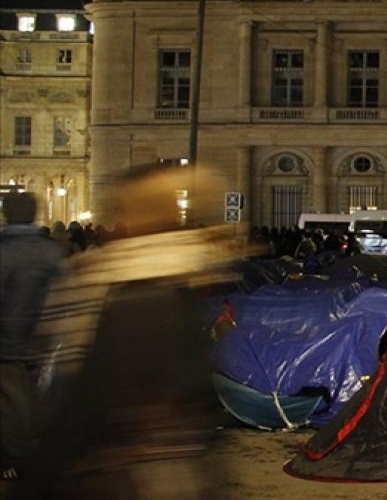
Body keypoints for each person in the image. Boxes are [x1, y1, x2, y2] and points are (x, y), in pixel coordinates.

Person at [20, 164, 233, 499]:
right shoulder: (188, 280)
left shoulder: (110, 285)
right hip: (180, 467)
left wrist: (39, 478)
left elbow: (80, 398)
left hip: (124, 472)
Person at [1, 192, 68, 482]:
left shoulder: (2, 251)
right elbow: (66, 295)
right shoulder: (51, 251)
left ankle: (17, 462)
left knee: (11, 408)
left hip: (7, 342)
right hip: (44, 342)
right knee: (36, 402)